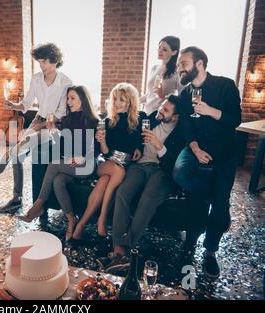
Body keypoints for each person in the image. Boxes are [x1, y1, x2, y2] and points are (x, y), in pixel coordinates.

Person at [173, 46, 242, 278]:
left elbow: (235, 119)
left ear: (199, 63)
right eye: (178, 65)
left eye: (183, 63)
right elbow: (186, 125)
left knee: (220, 204)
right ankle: (191, 241)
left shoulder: (225, 86)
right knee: (181, 174)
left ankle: (210, 252)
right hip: (196, 149)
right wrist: (194, 147)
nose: (179, 68)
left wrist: (211, 111)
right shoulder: (185, 93)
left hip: (224, 154)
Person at [98, 95, 185, 272]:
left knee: (147, 199)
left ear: (175, 117)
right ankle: (118, 250)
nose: (161, 111)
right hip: (140, 166)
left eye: (166, 110)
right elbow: (136, 135)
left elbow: (174, 165)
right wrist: (137, 146)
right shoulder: (151, 117)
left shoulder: (181, 133)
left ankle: (123, 251)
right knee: (122, 192)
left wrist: (159, 146)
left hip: (162, 171)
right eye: (162, 106)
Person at [0, 43, 72, 213]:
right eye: (39, 62)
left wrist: (42, 125)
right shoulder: (36, 78)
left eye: (44, 62)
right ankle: (16, 198)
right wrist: (13, 105)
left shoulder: (65, 82)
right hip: (38, 118)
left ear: (55, 61)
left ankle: (9, 154)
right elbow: (27, 103)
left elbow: (62, 112)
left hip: (54, 125)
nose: (41, 66)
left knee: (20, 147)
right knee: (18, 156)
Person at [19, 86, 100, 241]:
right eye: (68, 98)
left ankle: (38, 205)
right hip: (70, 166)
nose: (69, 102)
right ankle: (71, 219)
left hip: (87, 165)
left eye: (73, 98)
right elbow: (62, 146)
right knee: (58, 181)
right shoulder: (67, 120)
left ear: (83, 100)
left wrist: (83, 158)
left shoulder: (93, 121)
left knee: (54, 164)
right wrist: (54, 132)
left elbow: (97, 149)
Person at [72, 83, 144, 239]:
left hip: (125, 165)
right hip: (107, 164)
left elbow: (141, 140)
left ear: (130, 101)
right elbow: (105, 152)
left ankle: (82, 223)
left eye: (122, 100)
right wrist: (102, 140)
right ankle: (102, 219)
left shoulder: (139, 118)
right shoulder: (108, 121)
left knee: (104, 182)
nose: (117, 103)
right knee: (117, 171)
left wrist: (139, 148)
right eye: (115, 99)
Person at [140, 36, 183, 115]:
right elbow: (149, 94)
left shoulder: (177, 72)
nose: (160, 51)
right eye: (159, 48)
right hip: (147, 112)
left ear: (174, 52)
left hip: (161, 115)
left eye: (164, 49)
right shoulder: (154, 68)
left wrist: (162, 96)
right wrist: (133, 101)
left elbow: (181, 97)